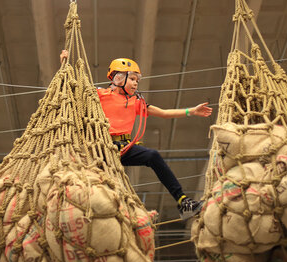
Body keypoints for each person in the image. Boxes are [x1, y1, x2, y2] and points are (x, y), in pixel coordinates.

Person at [60, 50, 212, 219]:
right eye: (132, 79)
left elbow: (162, 113)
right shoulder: (99, 95)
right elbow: (71, 92)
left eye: (137, 80)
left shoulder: (135, 101)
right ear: (118, 78)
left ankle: (183, 202)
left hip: (124, 148)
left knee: (152, 156)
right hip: (100, 149)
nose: (135, 83)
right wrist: (65, 63)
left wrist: (192, 111)